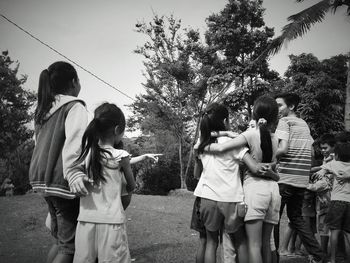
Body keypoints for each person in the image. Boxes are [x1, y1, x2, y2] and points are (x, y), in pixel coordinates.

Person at [203, 95, 281, 263]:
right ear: (275, 117)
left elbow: (223, 147)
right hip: (274, 191)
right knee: (267, 243)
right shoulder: (275, 138)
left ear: (254, 114)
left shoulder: (250, 134)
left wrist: (202, 146)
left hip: (255, 190)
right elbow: (274, 166)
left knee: (254, 245)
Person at [29, 61, 89, 263]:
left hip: (41, 179)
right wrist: (74, 173)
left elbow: (37, 144)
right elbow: (76, 143)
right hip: (60, 180)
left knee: (59, 241)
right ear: (74, 82)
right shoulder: (74, 106)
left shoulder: (42, 111)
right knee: (70, 247)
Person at [73, 103, 136, 263]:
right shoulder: (121, 155)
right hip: (112, 221)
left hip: (85, 221)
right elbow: (131, 186)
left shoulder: (86, 152)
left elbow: (73, 172)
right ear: (116, 130)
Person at [274, 92, 324, 263]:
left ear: (291, 106)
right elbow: (310, 152)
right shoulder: (304, 124)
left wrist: (270, 158)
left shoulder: (284, 121)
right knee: (297, 218)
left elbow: (283, 149)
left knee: (274, 217)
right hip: (301, 180)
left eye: (280, 105)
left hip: (285, 178)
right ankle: (318, 255)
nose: (277, 109)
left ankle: (273, 256)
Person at [314, 142, 350, 263]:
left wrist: (318, 173)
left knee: (334, 231)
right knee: (348, 232)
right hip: (349, 202)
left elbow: (321, 171)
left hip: (336, 202)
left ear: (338, 154)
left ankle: (333, 259)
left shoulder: (334, 164)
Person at [307, 133, 336, 256]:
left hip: (330, 198)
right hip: (323, 199)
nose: (323, 151)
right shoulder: (326, 160)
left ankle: (331, 253)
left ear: (333, 146)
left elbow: (326, 181)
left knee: (332, 227)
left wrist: (311, 186)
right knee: (323, 226)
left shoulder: (335, 160)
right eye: (322, 148)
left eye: (325, 148)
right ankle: (324, 252)